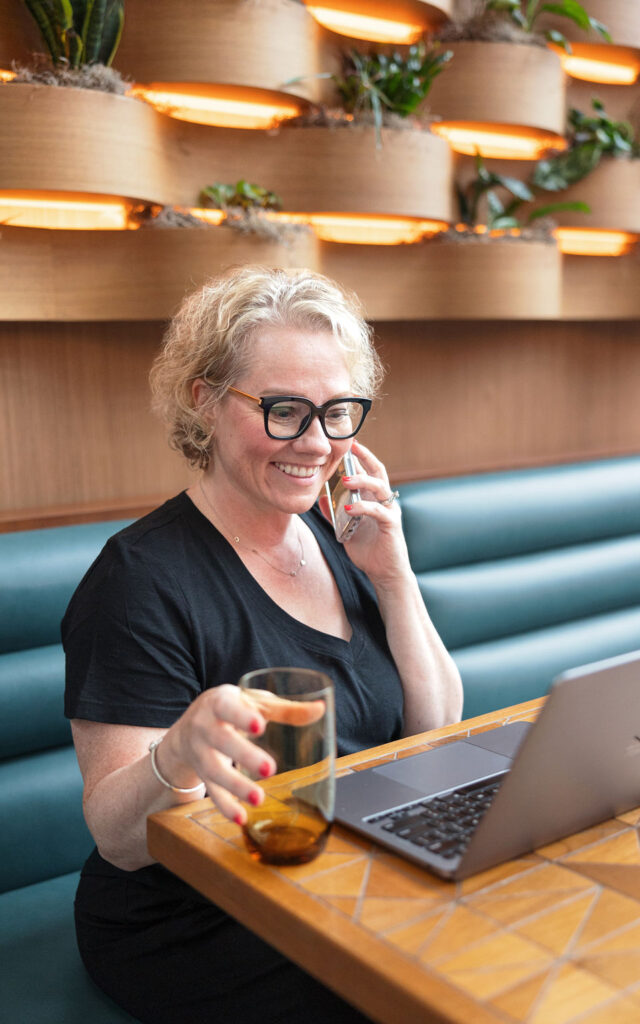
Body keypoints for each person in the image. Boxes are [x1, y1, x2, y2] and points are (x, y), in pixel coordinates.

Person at [63, 266, 463, 1024]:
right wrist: (177, 755)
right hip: (198, 919)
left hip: (340, 876)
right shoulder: (138, 579)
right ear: (204, 400)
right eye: (283, 410)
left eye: (338, 411)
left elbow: (434, 730)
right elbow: (118, 839)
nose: (315, 443)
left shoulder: (340, 534)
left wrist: (394, 576)